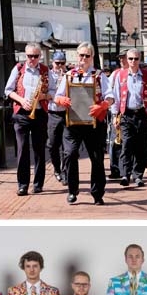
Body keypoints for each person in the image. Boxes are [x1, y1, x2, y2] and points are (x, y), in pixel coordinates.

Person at [52, 42, 114, 205]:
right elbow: (56, 97)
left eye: (87, 55)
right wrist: (62, 100)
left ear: (92, 57)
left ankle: (97, 193)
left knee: (97, 158)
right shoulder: (69, 75)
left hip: (94, 123)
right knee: (70, 154)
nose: (84, 58)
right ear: (77, 56)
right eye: (81, 55)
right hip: (72, 123)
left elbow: (111, 97)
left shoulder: (100, 76)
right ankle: (72, 190)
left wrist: (102, 106)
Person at [4, 42, 55, 196]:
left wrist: (43, 96)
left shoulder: (46, 71)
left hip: (39, 113)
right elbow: (8, 90)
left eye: (35, 56)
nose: (32, 59)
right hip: (21, 113)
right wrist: (21, 100)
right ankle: (23, 184)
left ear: (40, 56)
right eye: (29, 56)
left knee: (39, 149)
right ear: (25, 55)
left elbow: (53, 92)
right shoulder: (19, 69)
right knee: (22, 149)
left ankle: (38, 184)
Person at [111, 49, 147, 188]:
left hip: (143, 113)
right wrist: (114, 115)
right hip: (126, 114)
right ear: (127, 59)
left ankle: (138, 175)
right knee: (127, 144)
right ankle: (125, 174)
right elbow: (116, 96)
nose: (132, 62)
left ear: (139, 59)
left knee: (142, 146)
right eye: (130, 59)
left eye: (135, 59)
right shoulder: (121, 75)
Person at [46, 51, 69, 185]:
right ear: (52, 63)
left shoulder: (69, 74)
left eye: (62, 63)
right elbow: (45, 92)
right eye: (57, 63)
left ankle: (65, 171)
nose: (59, 66)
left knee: (67, 146)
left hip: (66, 113)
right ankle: (57, 169)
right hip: (53, 112)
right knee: (53, 144)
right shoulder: (48, 75)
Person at [106, 51, 129, 180]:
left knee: (127, 142)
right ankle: (115, 168)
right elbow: (110, 92)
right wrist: (114, 112)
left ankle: (126, 168)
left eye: (123, 58)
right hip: (117, 111)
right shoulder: (115, 74)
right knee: (115, 140)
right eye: (120, 58)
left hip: (128, 111)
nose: (122, 60)